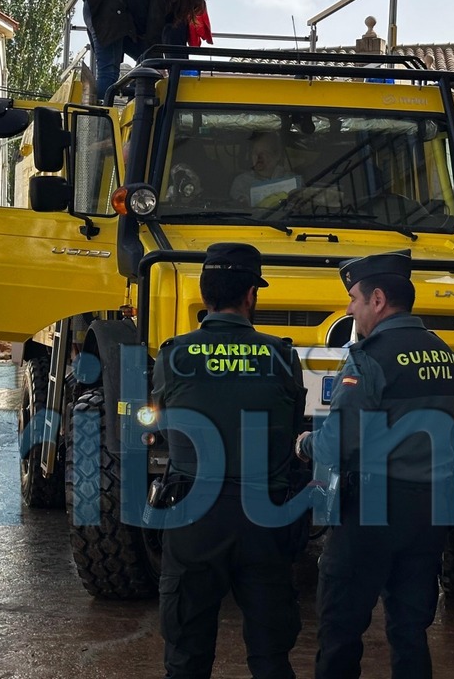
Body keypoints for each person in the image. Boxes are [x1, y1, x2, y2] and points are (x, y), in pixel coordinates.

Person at [296, 249, 454, 679]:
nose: (351, 310)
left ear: (378, 300)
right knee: (410, 629)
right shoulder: (445, 355)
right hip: (431, 511)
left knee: (341, 627)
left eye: (354, 299)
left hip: (373, 511)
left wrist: (304, 445)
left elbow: (341, 443)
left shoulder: (368, 357)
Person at [152, 242, 306, 679]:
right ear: (251, 296)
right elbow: (293, 429)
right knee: (272, 656)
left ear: (204, 296)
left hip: (193, 516)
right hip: (266, 519)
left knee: (186, 655)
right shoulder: (282, 355)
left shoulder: (173, 354)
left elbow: (164, 428)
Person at [81, 0, 205, 102]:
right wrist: (159, 65)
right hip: (107, 8)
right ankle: (99, 118)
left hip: (100, 5)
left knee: (139, 62)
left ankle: (132, 98)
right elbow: (153, 34)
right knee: (109, 72)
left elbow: (149, 44)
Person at [230, 132, 296, 206]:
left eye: (264, 152)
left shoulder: (292, 181)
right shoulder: (241, 182)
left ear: (277, 155)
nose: (258, 157)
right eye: (255, 152)